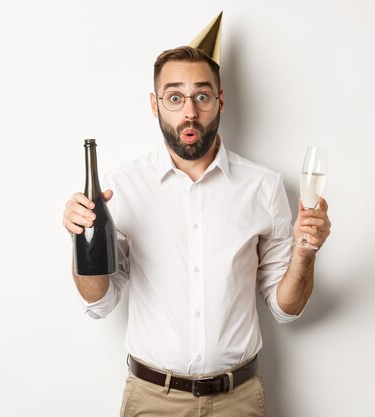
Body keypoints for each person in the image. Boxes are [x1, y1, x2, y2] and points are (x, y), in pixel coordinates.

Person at [62, 15, 331, 417]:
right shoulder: (123, 188)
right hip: (152, 401)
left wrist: (305, 254)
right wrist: (82, 239)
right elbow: (99, 302)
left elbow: (285, 309)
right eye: (174, 98)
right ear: (155, 105)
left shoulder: (263, 186)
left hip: (238, 401)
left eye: (202, 97)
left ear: (220, 101)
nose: (189, 112)